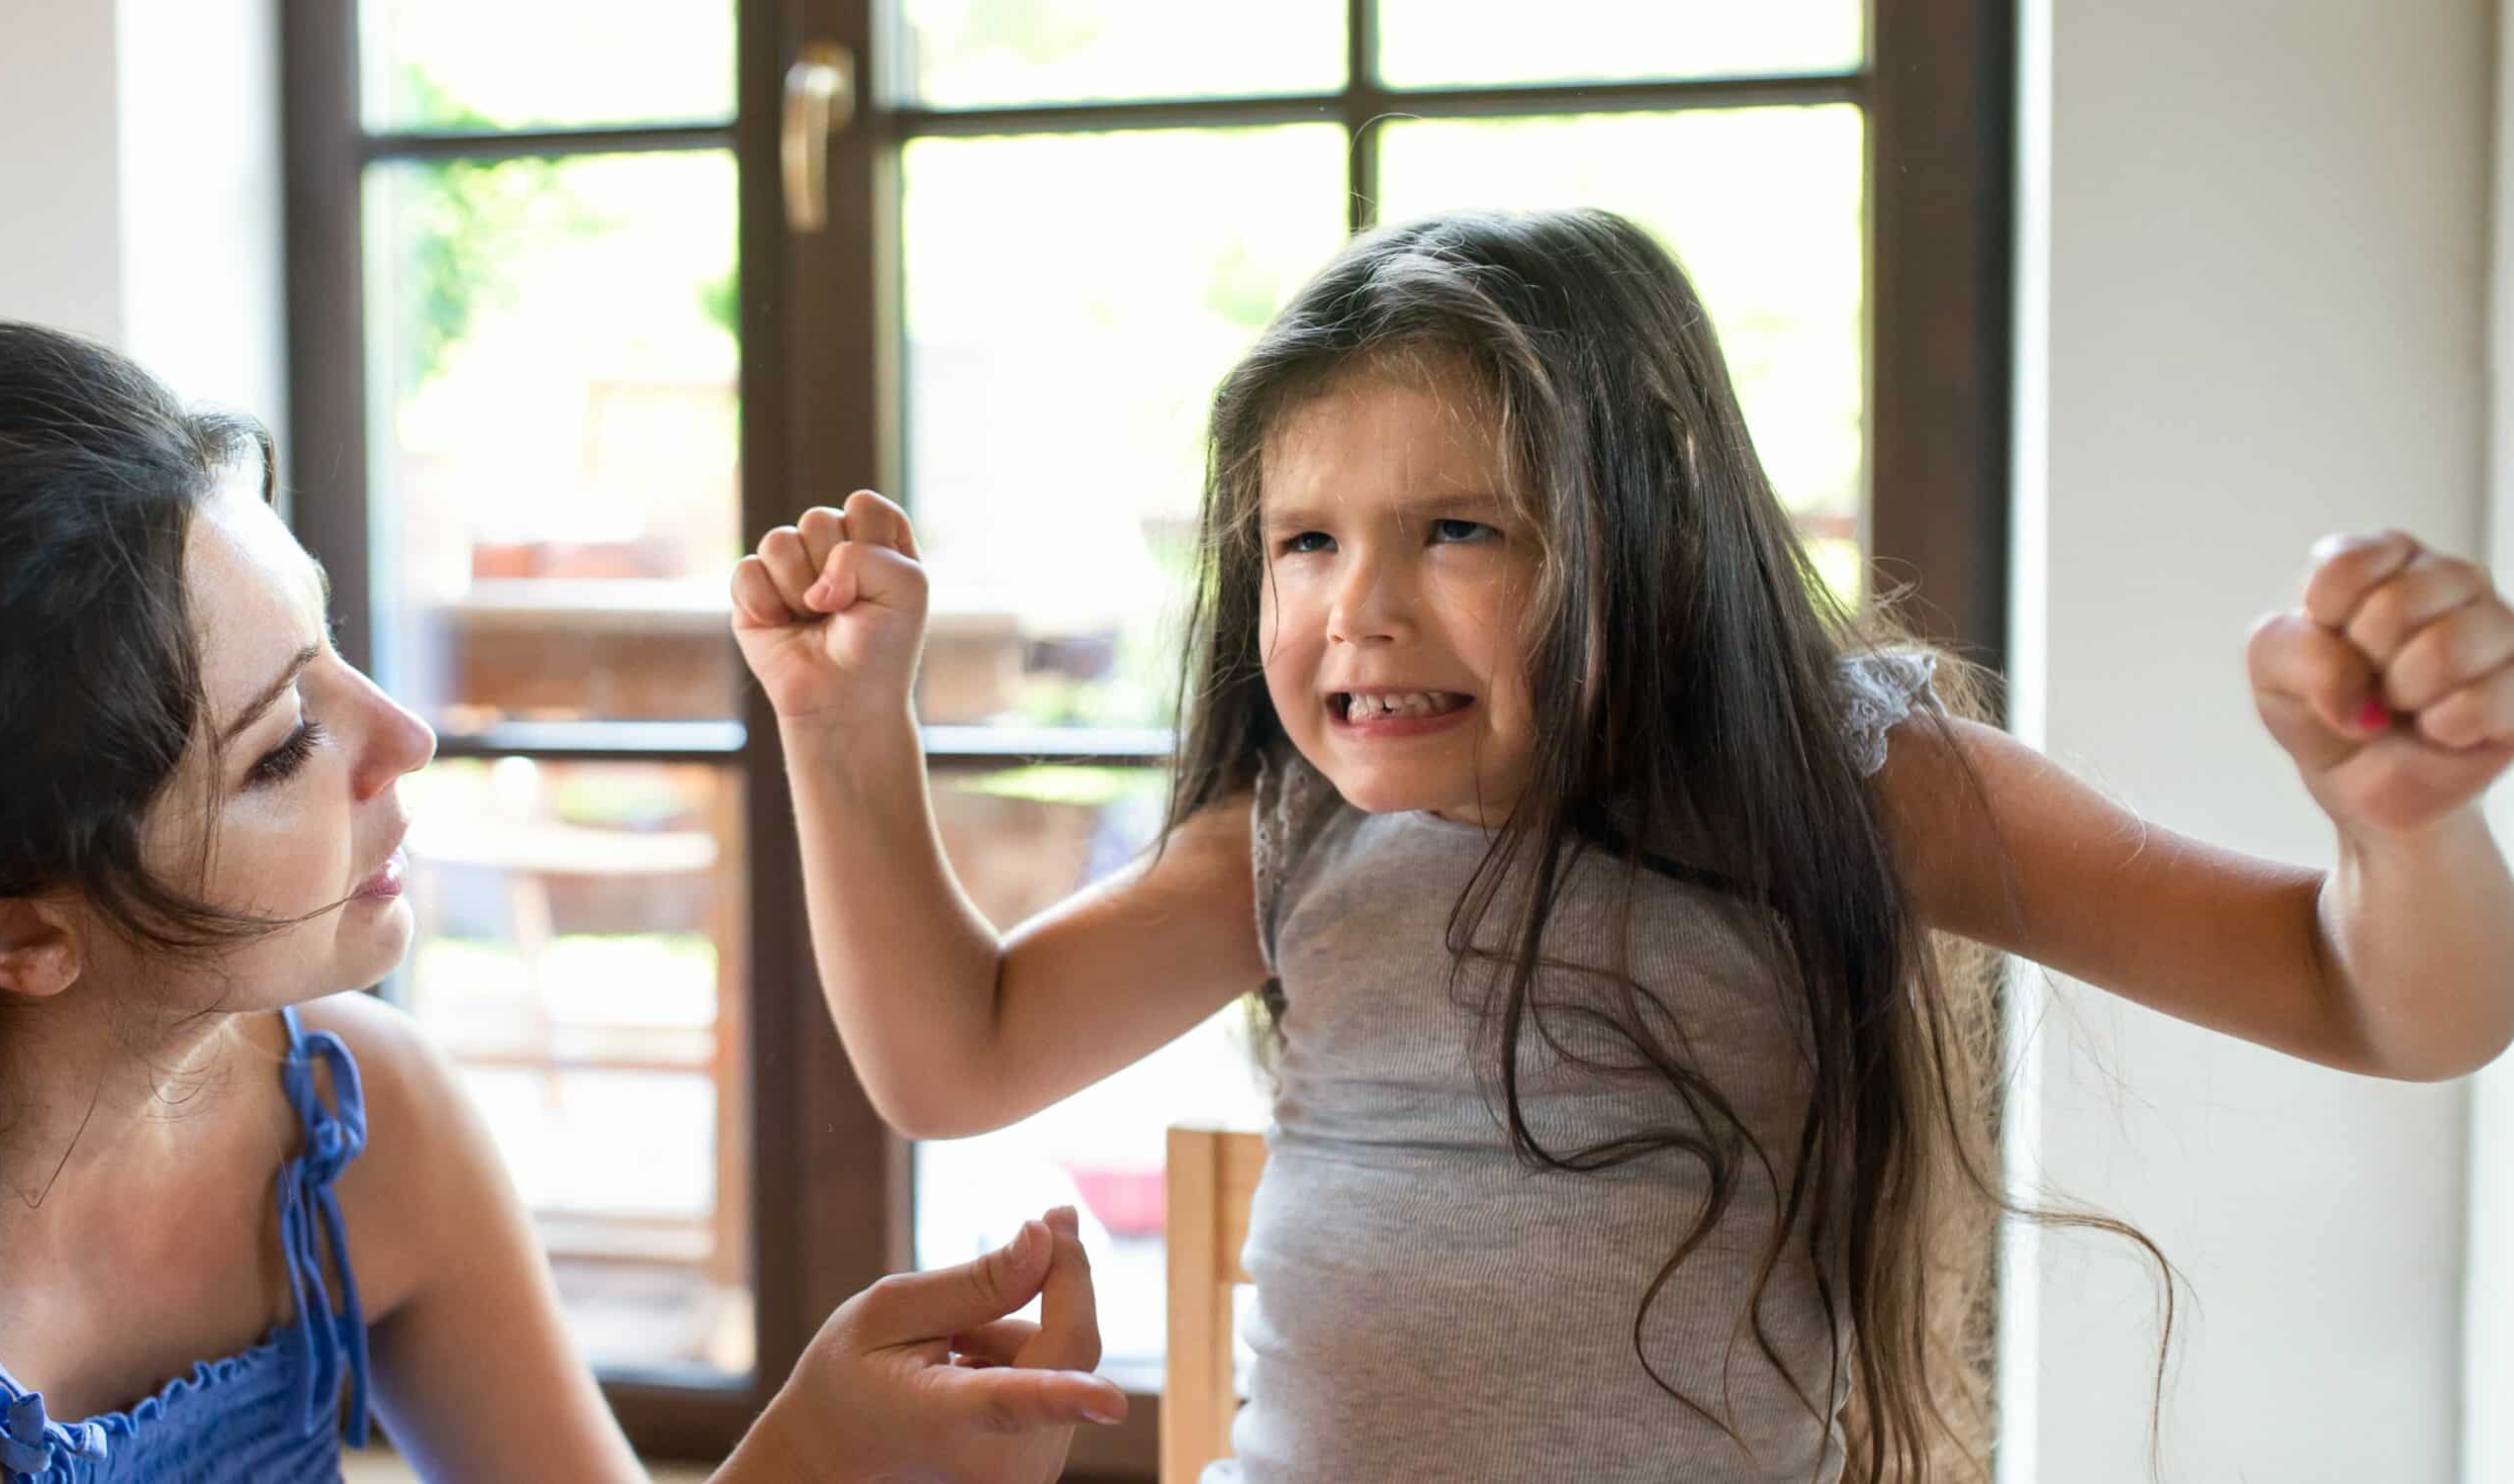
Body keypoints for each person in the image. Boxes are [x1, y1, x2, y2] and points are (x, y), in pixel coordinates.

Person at [729, 208, 2514, 1482]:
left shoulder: (1850, 776)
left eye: (1456, 528)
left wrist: (2398, 826)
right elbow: (955, 1057)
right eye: (1303, 543)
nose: (1361, 609)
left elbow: (2387, 1009)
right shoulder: (1296, 838)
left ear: (1646, 525)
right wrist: (840, 728)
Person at [0, 321, 1128, 1484]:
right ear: (10, 924)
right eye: (281, 747)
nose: (405, 734)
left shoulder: (351, 1124)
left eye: (330, 640)